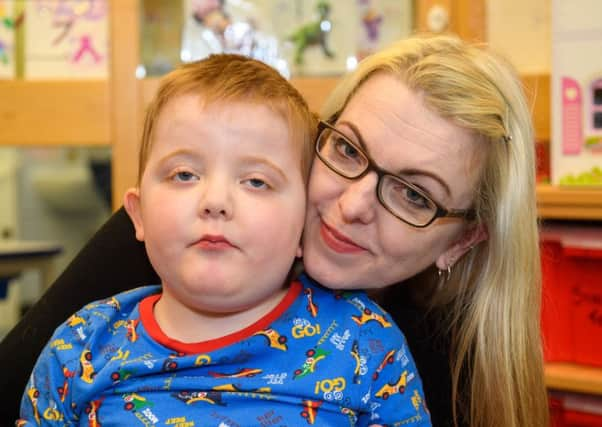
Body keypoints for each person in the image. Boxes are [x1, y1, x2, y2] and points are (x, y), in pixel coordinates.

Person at [1, 34, 549, 427]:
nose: (353, 204)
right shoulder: (164, 248)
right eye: (347, 149)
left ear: (459, 241)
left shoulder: (400, 357)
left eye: (414, 194)